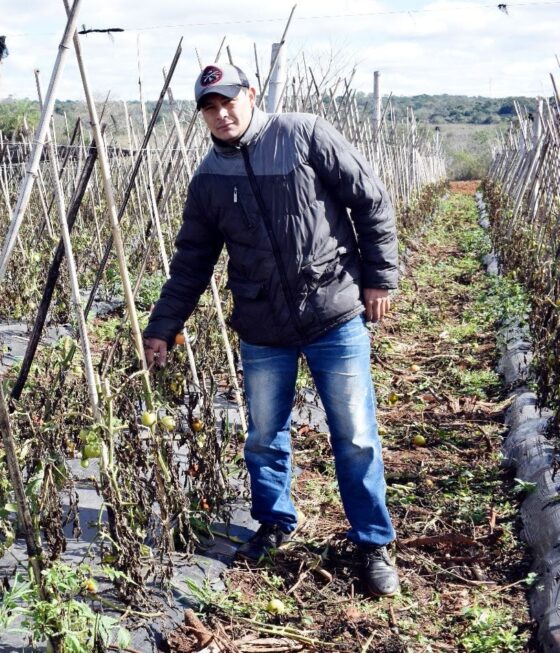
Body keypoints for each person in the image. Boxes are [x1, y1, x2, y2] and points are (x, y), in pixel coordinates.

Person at [142, 63, 400, 596]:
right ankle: (276, 521)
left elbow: (369, 200)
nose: (221, 113)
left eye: (228, 101)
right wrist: (163, 327)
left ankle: (373, 543)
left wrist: (379, 278)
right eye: (209, 108)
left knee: (353, 435)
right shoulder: (208, 179)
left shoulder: (304, 134)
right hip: (262, 323)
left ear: (251, 95)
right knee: (262, 435)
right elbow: (192, 261)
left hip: (333, 310)